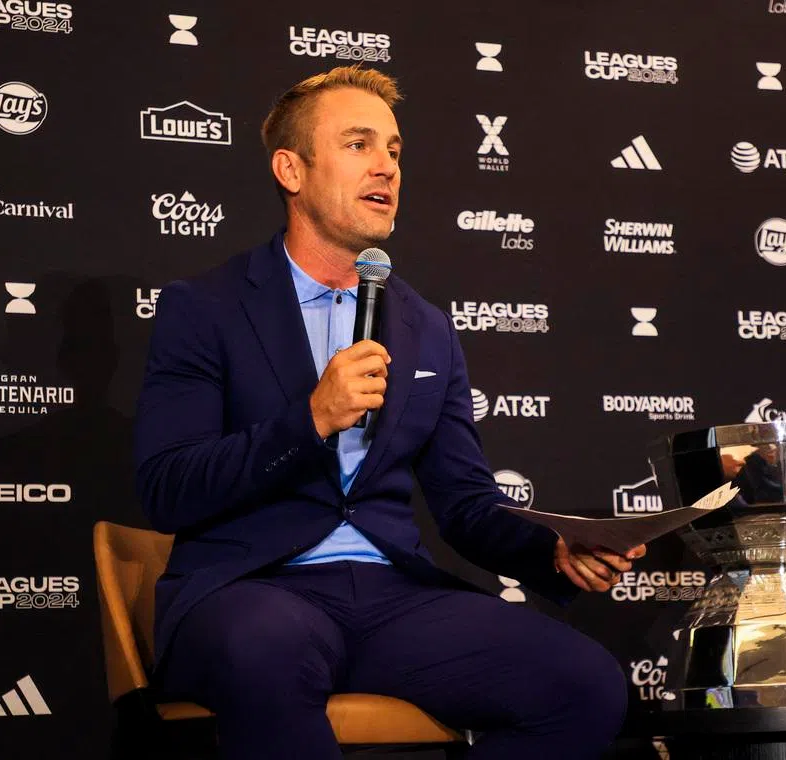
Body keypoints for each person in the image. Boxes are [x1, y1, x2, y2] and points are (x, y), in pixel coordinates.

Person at [133, 65, 645, 760]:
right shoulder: (207, 308)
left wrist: (550, 551)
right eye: (358, 144)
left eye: (395, 150)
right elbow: (168, 488)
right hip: (253, 591)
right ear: (292, 169)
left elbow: (464, 504)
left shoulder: (425, 326)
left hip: (391, 599)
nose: (386, 167)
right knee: (267, 648)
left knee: (585, 684)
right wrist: (308, 421)